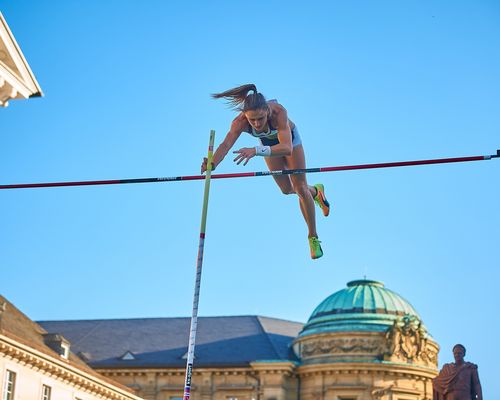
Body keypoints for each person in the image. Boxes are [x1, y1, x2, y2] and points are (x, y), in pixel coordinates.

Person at [201, 84, 330, 259]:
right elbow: (226, 144)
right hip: (267, 145)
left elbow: (286, 148)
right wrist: (212, 163)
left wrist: (255, 150)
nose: (256, 124)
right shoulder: (239, 122)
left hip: (290, 142)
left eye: (260, 119)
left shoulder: (278, 112)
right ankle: (316, 191)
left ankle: (312, 237)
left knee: (300, 188)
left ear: (267, 111)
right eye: (252, 120)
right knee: (286, 189)